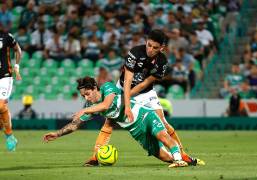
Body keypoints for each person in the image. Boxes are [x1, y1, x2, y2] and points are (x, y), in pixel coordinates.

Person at [86, 29, 204, 166]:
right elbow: (129, 80)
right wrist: (125, 99)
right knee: (109, 122)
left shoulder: (162, 63)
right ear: (146, 42)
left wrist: (127, 99)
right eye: (149, 45)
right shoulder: (134, 53)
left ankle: (182, 155)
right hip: (123, 88)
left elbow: (144, 84)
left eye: (155, 47)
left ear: (162, 48)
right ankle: (95, 157)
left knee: (163, 123)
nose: (150, 49)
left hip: (146, 93)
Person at [43, 76, 191, 168]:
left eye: (87, 94)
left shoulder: (108, 88)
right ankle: (180, 160)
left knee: (163, 136)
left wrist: (85, 110)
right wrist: (57, 133)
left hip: (143, 115)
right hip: (134, 130)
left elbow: (106, 105)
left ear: (95, 88)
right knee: (162, 156)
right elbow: (75, 125)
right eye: (83, 96)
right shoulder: (91, 106)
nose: (86, 98)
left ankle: (179, 159)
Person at [0, 26, 22, 151]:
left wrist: (16, 67)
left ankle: (9, 136)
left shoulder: (7, 36)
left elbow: (18, 50)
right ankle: (9, 135)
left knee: (1, 106)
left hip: (5, 76)